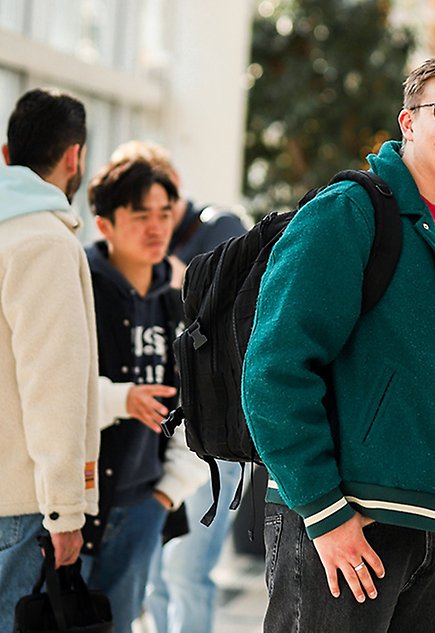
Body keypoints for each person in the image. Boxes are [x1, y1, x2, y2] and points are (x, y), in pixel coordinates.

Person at [242, 52, 435, 632]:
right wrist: (323, 512)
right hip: (346, 522)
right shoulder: (348, 213)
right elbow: (274, 372)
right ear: (408, 123)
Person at [108, 140, 249, 633]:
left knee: (188, 574)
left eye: (155, 205)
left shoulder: (222, 227)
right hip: (162, 434)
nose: (150, 220)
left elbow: (218, 290)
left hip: (213, 439)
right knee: (155, 581)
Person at [82, 157, 207, 633]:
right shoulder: (80, 290)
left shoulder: (175, 304)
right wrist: (120, 400)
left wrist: (165, 494)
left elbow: (193, 408)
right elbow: (49, 393)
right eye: (140, 215)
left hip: (143, 505)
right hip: (74, 506)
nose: (156, 227)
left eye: (163, 213)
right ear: (104, 224)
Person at [0, 87, 100, 633]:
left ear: (5, 154)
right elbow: (52, 384)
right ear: (74, 157)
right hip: (16, 506)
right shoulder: (43, 242)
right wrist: (65, 510)